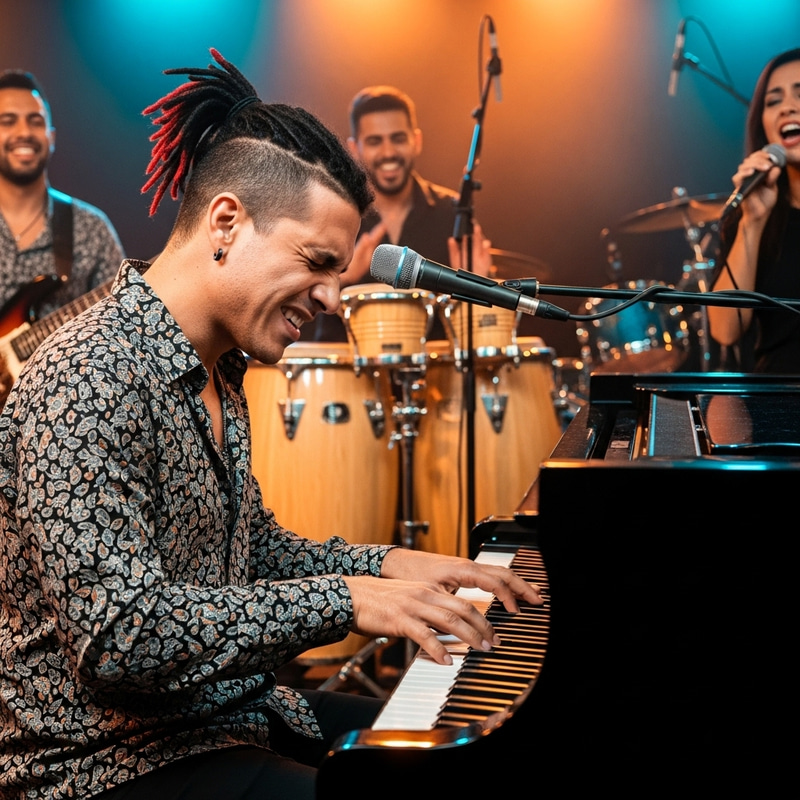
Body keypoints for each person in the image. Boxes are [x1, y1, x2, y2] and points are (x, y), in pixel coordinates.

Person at [0, 49, 543, 799]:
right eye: (319, 262)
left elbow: (247, 547)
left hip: (220, 716)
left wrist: (390, 566)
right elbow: (121, 638)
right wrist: (348, 601)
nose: (332, 295)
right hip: (102, 766)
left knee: (460, 749)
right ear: (227, 221)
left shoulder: (221, 367)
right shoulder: (89, 376)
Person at [305, 84, 492, 341]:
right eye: (374, 142)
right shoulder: (332, 213)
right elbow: (297, 307)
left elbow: (480, 330)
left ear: (416, 141)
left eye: (398, 138)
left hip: (434, 373)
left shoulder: (453, 213)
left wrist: (478, 288)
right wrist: (344, 278)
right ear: (354, 149)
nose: (388, 152)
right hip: (347, 374)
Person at [0, 69, 125, 404]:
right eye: (8, 121)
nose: (24, 132)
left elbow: (123, 329)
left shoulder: (90, 228)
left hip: (63, 421)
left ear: (52, 136)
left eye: (35, 121)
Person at [707, 47, 800, 373]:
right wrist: (752, 222)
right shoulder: (752, 212)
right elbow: (725, 330)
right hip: (779, 406)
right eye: (773, 101)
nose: (787, 107)